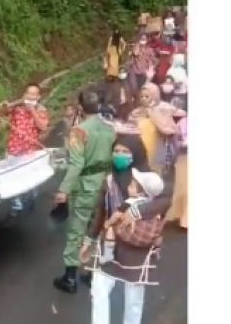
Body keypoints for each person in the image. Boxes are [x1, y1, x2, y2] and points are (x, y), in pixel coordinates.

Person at [81, 134, 170, 324]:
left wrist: (137, 211)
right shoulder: (109, 179)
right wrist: (89, 240)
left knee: (134, 298)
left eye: (125, 152)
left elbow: (164, 200)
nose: (119, 155)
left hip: (135, 246)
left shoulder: (148, 179)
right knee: (98, 291)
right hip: (109, 243)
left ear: (136, 154)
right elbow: (100, 211)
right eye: (116, 151)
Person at [52, 87, 116, 293]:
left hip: (85, 184)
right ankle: (92, 272)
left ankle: (70, 277)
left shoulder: (79, 131)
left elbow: (76, 164)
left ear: (80, 107)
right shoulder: (110, 128)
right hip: (104, 183)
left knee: (77, 230)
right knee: (97, 227)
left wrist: (63, 190)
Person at [0, 83, 50, 213]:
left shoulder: (42, 110)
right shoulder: (17, 108)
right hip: (14, 149)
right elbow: (1, 111)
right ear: (24, 94)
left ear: (39, 96)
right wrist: (7, 104)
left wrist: (32, 110)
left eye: (34, 94)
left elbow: (43, 126)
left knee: (29, 179)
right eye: (29, 93)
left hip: (30, 151)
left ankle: (30, 199)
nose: (31, 96)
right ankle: (15, 205)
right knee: (12, 176)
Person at [129, 83, 185, 174]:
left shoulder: (163, 108)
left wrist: (153, 113)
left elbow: (169, 126)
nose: (143, 99)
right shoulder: (137, 111)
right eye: (141, 96)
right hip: (140, 149)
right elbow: (130, 124)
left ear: (154, 96)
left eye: (147, 96)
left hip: (157, 147)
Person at [166, 114, 188, 229]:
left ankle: (184, 220)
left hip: (183, 155)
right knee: (181, 188)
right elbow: (176, 139)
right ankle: (180, 217)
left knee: (185, 188)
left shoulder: (183, 121)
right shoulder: (183, 121)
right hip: (183, 156)